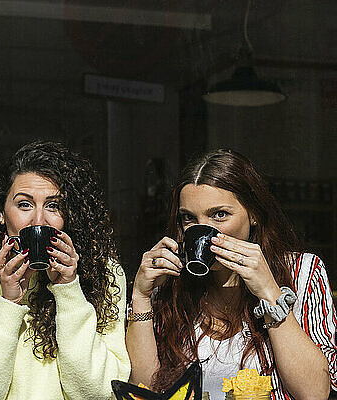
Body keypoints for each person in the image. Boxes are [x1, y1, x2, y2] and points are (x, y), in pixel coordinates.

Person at [126, 149, 337, 399]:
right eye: (189, 218)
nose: (204, 229)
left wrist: (269, 293)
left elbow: (314, 393)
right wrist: (141, 296)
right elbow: (144, 390)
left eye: (220, 214)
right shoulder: (171, 281)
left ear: (253, 215)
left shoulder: (301, 273)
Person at [0, 141, 130, 400]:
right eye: (25, 205)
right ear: (1, 214)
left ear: (69, 215)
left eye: (53, 206)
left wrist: (69, 289)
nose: (39, 221)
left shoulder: (105, 275)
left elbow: (100, 393)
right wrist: (8, 303)